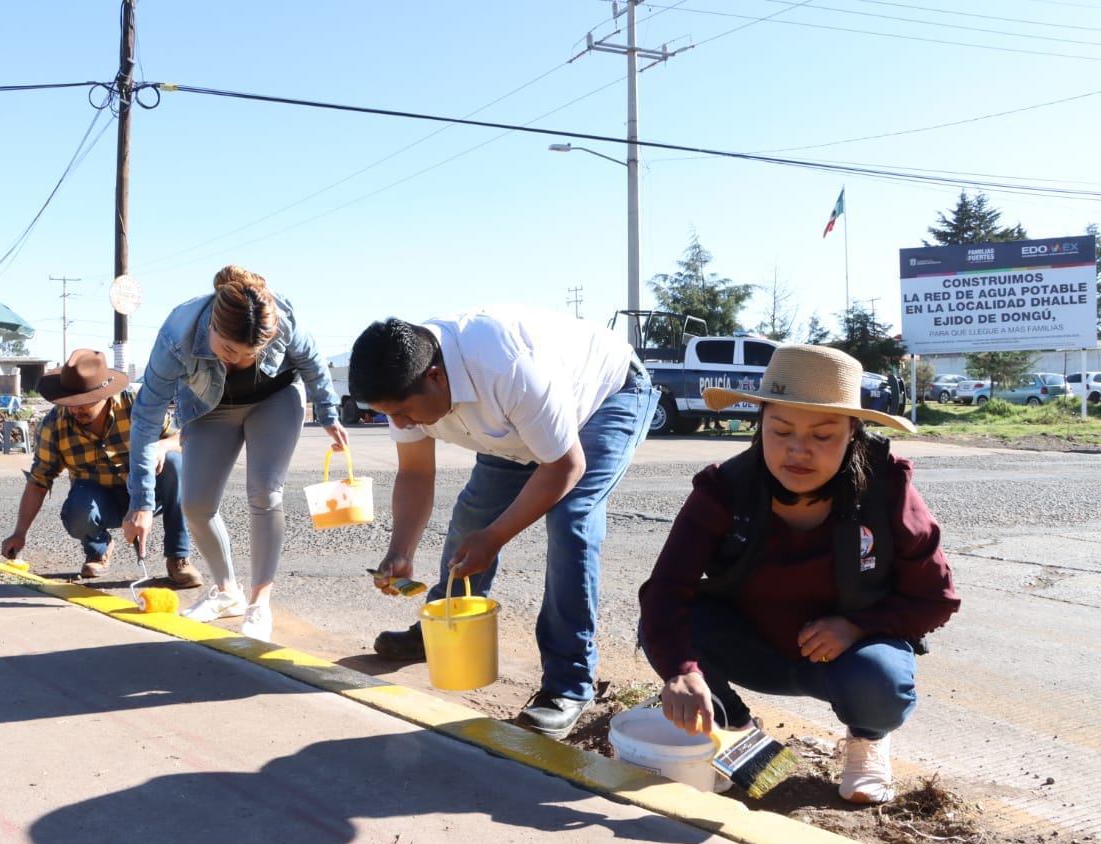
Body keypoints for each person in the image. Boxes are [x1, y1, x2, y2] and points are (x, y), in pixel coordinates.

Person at [637, 344, 960, 804]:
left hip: (846, 659)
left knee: (881, 681)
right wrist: (680, 671)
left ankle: (867, 741)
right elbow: (666, 590)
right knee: (665, 633)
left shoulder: (888, 489)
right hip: (751, 645)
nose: (798, 451)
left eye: (823, 435)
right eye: (780, 430)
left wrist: (857, 626)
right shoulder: (722, 489)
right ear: (759, 424)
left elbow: (936, 599)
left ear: (854, 433)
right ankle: (735, 730)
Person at [348, 306, 659, 740]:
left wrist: (495, 538)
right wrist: (401, 550)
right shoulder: (410, 380)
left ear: (436, 377)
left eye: (402, 411)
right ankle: (443, 629)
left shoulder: (508, 368)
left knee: (571, 519)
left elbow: (565, 466)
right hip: (517, 425)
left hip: (607, 396)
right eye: (387, 414)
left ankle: (569, 685)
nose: (399, 424)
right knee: (474, 513)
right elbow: (415, 473)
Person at [123, 265, 349, 642]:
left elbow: (310, 360)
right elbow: (145, 420)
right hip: (209, 408)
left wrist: (328, 413)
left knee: (264, 491)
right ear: (211, 324)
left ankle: (260, 600)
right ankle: (228, 593)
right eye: (228, 348)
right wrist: (141, 501)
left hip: (274, 400)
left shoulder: (281, 315)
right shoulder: (176, 337)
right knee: (195, 503)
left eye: (250, 353)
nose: (236, 360)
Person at [1, 348, 201, 589]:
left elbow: (183, 439)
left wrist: (162, 445)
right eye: (71, 402)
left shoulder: (137, 403)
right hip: (97, 497)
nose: (76, 409)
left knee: (174, 463)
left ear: (105, 394)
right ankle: (98, 549)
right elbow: (38, 481)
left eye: (84, 402)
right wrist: (19, 533)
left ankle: (178, 557)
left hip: (147, 493)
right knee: (77, 512)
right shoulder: (54, 424)